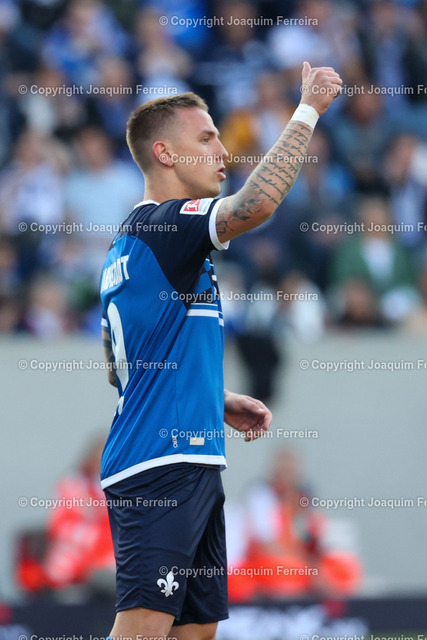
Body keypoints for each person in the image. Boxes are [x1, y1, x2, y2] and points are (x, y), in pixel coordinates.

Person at [100, 61, 342, 640]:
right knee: (142, 631)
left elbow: (120, 367)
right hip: (160, 467)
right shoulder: (167, 227)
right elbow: (256, 205)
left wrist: (215, 395)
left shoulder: (133, 245)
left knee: (196, 632)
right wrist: (307, 110)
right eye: (206, 138)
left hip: (188, 461)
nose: (222, 151)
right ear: (164, 153)